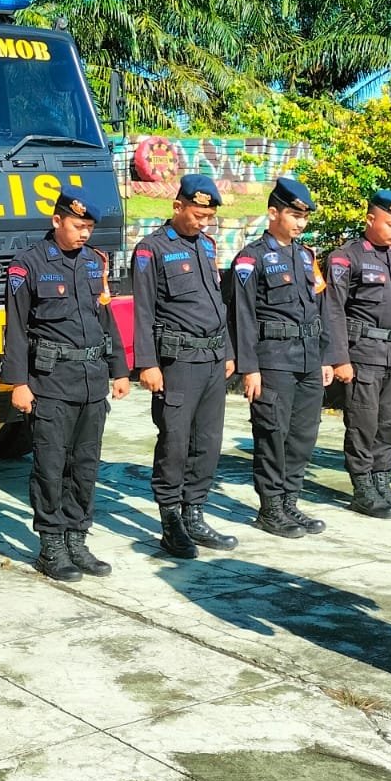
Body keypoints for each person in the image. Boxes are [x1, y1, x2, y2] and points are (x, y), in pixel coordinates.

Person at [2, 186, 132, 581]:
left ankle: (78, 538)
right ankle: (51, 543)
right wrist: (18, 384)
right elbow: (17, 329)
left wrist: (120, 369)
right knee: (51, 465)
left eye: (90, 227)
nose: (85, 234)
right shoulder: (28, 265)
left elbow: (105, 320)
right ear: (56, 220)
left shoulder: (95, 263)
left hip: (92, 381)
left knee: (86, 465)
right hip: (51, 381)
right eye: (78, 225)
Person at [131, 174, 237, 559]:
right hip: (177, 362)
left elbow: (217, 305)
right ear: (177, 207)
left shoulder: (207, 247)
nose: (204, 222)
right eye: (198, 214)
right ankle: (171, 520)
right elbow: (143, 310)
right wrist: (147, 363)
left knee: (207, 442)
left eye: (209, 216)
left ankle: (195, 512)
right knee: (175, 442)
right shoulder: (151, 249)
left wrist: (226, 351)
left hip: (211, 360)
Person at [225, 177, 332, 538]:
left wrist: (325, 357)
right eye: (293, 214)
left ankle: (290, 502)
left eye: (304, 216)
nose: (300, 222)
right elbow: (241, 315)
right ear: (273, 212)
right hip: (272, 360)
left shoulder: (306, 256)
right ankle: (270, 508)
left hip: (307, 358)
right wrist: (248, 369)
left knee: (303, 435)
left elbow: (322, 308)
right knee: (273, 434)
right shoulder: (250, 258)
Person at [324, 190, 391, 519]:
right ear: (370, 219)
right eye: (390, 222)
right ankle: (363, 488)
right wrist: (339, 358)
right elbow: (333, 310)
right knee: (363, 423)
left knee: (390, 422)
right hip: (364, 356)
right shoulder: (347, 257)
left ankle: (382, 482)